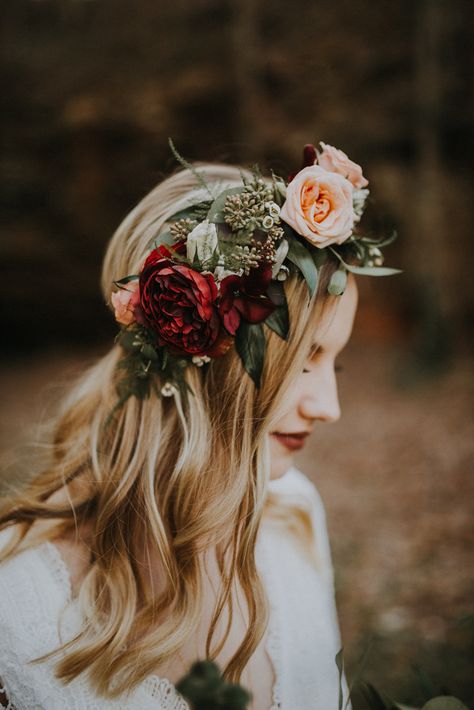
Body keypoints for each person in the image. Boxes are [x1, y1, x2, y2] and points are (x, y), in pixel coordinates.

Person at [0, 144, 395, 709]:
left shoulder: (294, 517)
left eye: (338, 362)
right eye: (302, 361)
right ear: (193, 346)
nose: (329, 406)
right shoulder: (18, 605)